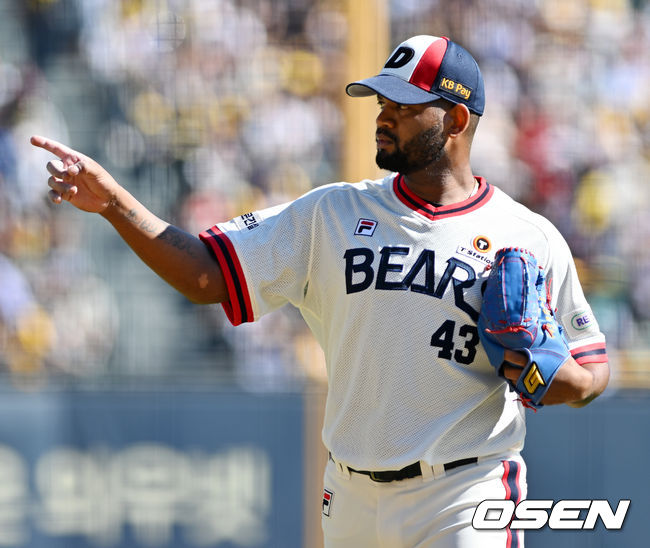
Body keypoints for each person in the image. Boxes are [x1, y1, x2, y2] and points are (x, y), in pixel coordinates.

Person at [32, 35, 609, 548]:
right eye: (381, 101)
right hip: (351, 493)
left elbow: (591, 372)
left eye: (402, 106)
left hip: (464, 487)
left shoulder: (528, 235)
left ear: (455, 121)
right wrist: (112, 203)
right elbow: (206, 275)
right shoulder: (330, 214)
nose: (383, 115)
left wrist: (542, 374)